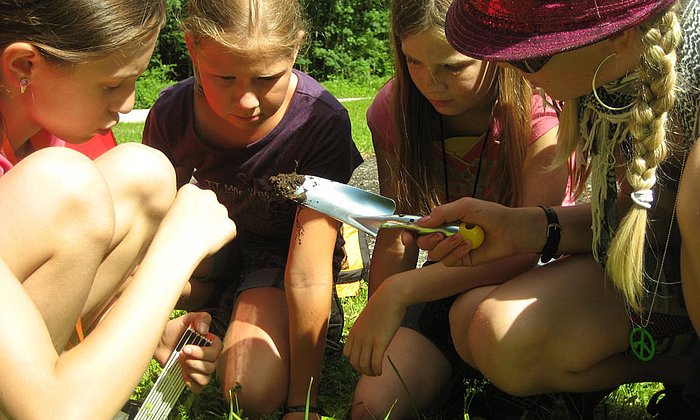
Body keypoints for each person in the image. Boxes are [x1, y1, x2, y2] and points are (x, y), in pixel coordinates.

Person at [412, 0, 700, 417]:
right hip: (672, 272)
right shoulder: (614, 77)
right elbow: (648, 222)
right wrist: (524, 228)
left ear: (618, 34)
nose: (508, 66)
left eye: (529, 56)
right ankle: (682, 371)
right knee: (493, 328)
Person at [0, 1, 236, 419]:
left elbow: (55, 283)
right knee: (65, 182)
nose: (127, 104)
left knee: (144, 174)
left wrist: (145, 328)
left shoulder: (50, 138)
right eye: (111, 86)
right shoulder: (57, 175)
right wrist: (174, 255)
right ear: (24, 67)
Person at [342, 0, 570, 417]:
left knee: (492, 341)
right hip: (447, 279)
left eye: (453, 67)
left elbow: (524, 252)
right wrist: (381, 311)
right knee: (372, 409)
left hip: (536, 284)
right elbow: (399, 229)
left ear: (493, 52)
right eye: (414, 62)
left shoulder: (541, 118)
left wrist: (401, 292)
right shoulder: (393, 111)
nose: (432, 84)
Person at [142, 0, 363, 417]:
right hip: (212, 256)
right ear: (192, 46)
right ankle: (214, 316)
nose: (245, 100)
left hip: (279, 266)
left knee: (250, 392)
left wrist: (303, 404)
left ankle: (232, 323)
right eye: (224, 77)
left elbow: (308, 269)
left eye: (266, 78)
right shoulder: (172, 113)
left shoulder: (319, 121)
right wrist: (151, 324)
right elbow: (152, 233)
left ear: (295, 50)